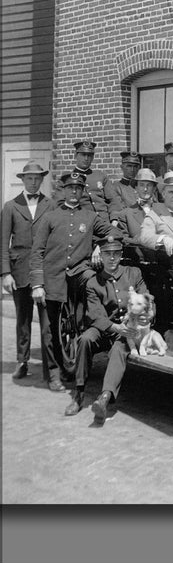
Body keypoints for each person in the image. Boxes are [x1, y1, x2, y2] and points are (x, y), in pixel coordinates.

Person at [29, 172, 113, 391]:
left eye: (78, 189)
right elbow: (36, 251)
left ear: (83, 191)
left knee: (77, 326)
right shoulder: (50, 217)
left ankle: (75, 369)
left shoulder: (90, 217)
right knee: (49, 330)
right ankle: (54, 375)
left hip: (77, 279)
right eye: (70, 188)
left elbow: (113, 232)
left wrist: (99, 245)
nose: (74, 192)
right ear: (64, 190)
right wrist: (37, 284)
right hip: (52, 280)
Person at [63, 236, 151, 421]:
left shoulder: (133, 273)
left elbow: (147, 298)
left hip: (127, 331)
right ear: (100, 257)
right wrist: (116, 328)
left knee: (120, 349)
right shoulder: (93, 282)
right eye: (107, 254)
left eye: (116, 253)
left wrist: (148, 315)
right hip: (104, 328)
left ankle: (104, 398)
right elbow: (95, 315)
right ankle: (78, 395)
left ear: (121, 255)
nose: (112, 258)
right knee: (85, 339)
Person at [1, 161, 57, 381]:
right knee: (22, 320)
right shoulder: (10, 206)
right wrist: (5, 273)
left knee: (47, 324)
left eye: (37, 179)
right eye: (29, 178)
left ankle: (50, 369)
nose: (33, 183)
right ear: (22, 179)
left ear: (42, 180)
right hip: (19, 271)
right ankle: (22, 361)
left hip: (44, 272)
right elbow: (3, 241)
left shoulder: (51, 205)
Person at [54, 140, 121, 225]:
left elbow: (113, 200)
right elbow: (59, 204)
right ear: (75, 155)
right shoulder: (67, 179)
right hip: (82, 223)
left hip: (104, 223)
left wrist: (114, 219)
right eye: (83, 155)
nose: (86, 158)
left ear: (93, 157)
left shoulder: (101, 176)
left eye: (89, 155)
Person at [116, 168, 158, 246]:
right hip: (138, 256)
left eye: (149, 185)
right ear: (136, 188)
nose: (145, 189)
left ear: (154, 188)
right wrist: (140, 240)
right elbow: (123, 239)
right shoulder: (126, 214)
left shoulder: (164, 211)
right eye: (141, 185)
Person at [110, 151, 142, 219]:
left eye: (135, 166)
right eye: (129, 166)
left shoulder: (143, 186)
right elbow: (119, 210)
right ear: (122, 167)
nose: (132, 170)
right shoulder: (115, 187)